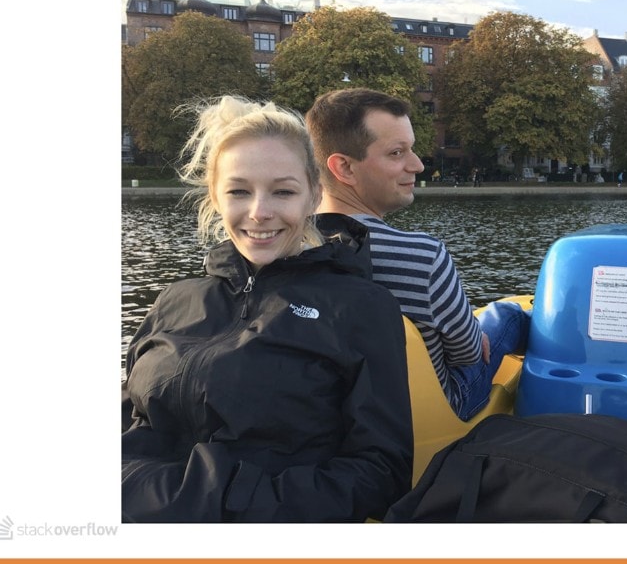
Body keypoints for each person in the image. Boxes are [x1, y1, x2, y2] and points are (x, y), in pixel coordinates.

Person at [121, 95, 413, 522]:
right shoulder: (174, 299)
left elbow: (380, 474)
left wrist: (199, 501)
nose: (259, 212)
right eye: (239, 191)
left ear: (314, 194)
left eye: (282, 191)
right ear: (216, 198)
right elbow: (133, 415)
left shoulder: (361, 308)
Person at [304, 88, 527, 422]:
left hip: (337, 416)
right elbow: (468, 354)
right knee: (507, 315)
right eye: (397, 153)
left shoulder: (288, 250)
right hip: (430, 413)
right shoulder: (422, 256)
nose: (418, 165)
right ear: (345, 168)